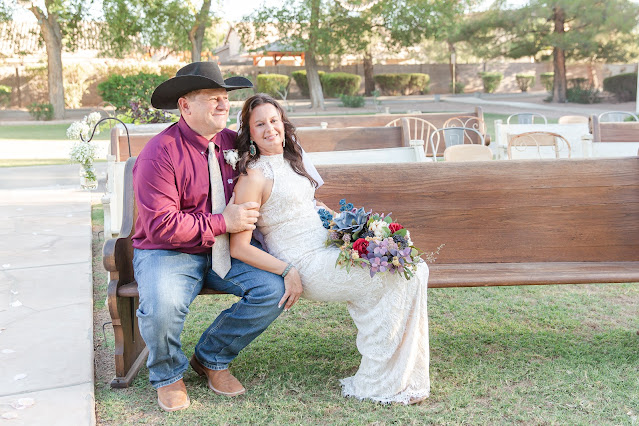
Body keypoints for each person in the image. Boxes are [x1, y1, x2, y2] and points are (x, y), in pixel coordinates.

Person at [230, 93, 430, 405]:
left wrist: (347, 226)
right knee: (395, 274)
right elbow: (239, 247)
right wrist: (286, 270)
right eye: (260, 124)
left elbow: (306, 204)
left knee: (414, 267)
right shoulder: (253, 177)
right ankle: (379, 380)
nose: (270, 129)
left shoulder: (291, 161)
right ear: (250, 133)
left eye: (274, 120)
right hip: (304, 263)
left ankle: (404, 374)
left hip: (328, 246)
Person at [132, 62, 304, 412]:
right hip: (168, 251)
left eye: (225, 98)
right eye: (213, 98)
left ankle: (211, 357)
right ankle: (168, 375)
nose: (223, 105)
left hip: (225, 250)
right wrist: (222, 221)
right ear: (185, 105)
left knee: (271, 291)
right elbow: (162, 225)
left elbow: (272, 163)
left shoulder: (232, 143)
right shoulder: (159, 153)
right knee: (163, 303)